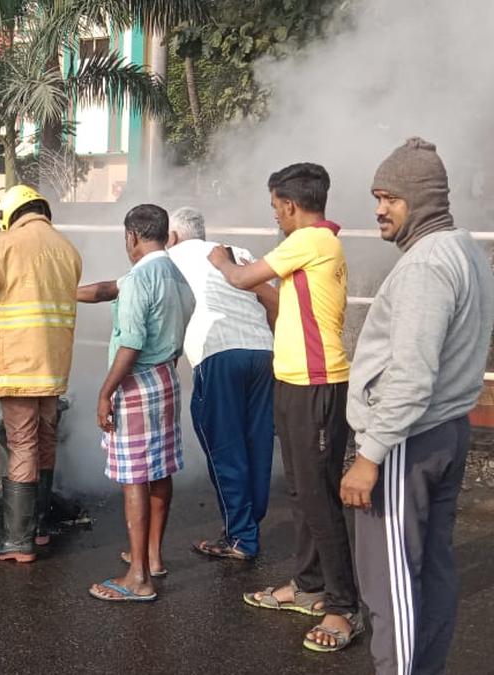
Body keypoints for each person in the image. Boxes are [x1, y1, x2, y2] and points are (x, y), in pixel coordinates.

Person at [343, 138, 494, 674]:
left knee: (391, 587)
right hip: (445, 430)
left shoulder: (425, 267)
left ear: (423, 200)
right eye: (377, 197)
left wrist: (370, 455)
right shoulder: (465, 251)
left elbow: (410, 375)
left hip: (408, 438)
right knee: (429, 571)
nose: (380, 210)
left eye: (390, 198)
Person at [209, 163, 360, 652]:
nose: (275, 216)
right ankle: (308, 585)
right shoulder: (314, 248)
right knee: (300, 490)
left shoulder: (310, 240)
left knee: (318, 496)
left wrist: (219, 261)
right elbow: (273, 297)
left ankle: (343, 607)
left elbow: (239, 277)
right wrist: (248, 279)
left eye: (275, 207)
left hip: (317, 385)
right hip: (294, 381)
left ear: (290, 204)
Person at [0, 184, 82, 563]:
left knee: (23, 444)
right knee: (45, 440)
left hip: (18, 363)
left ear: (9, 214)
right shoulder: (67, 250)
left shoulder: (5, 243)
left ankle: (17, 541)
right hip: (54, 364)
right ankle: (39, 528)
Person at [83, 204, 194, 602]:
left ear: (131, 236)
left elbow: (130, 342)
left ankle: (138, 578)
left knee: (135, 476)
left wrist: (105, 392)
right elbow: (107, 290)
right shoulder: (175, 275)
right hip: (167, 376)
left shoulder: (138, 280)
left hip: (135, 382)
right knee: (160, 469)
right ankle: (153, 557)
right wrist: (60, 292)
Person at [166, 207, 277, 562]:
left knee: (224, 447)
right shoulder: (237, 252)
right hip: (263, 352)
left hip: (219, 355)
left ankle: (242, 537)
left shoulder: (170, 257)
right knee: (256, 442)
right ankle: (247, 524)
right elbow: (274, 302)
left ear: (172, 237)